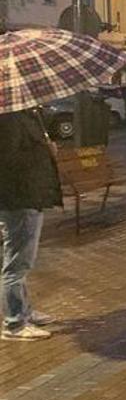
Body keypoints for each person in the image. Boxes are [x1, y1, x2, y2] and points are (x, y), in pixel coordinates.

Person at [0, 108, 61, 340]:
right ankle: (14, 323)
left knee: (15, 261)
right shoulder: (10, 117)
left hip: (25, 196)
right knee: (17, 264)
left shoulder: (26, 113)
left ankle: (23, 311)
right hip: (19, 198)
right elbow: (10, 160)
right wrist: (43, 152)